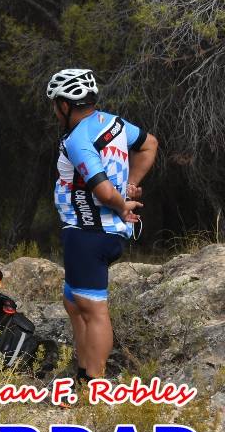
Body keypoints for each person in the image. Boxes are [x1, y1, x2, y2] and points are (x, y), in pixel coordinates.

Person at [48, 68, 158, 382]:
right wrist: (131, 183)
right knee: (73, 301)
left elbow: (102, 191)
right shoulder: (114, 123)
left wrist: (122, 202)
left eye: (56, 105)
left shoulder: (79, 140)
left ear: (65, 106)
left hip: (90, 233)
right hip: (94, 233)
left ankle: (94, 385)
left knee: (92, 309)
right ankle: (83, 373)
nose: (55, 112)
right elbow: (150, 144)